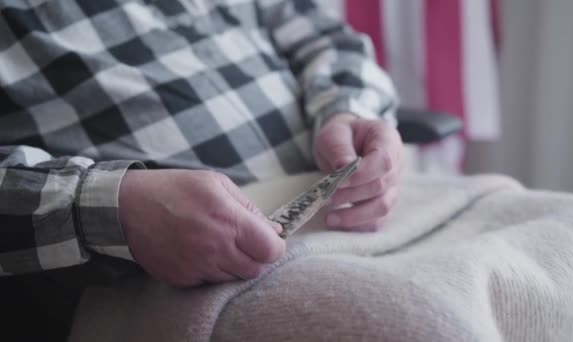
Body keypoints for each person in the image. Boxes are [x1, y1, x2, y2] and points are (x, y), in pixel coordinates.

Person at [0, 0, 403, 339]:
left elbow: (322, 36)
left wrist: (350, 111)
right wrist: (108, 208)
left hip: (359, 220)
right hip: (159, 279)